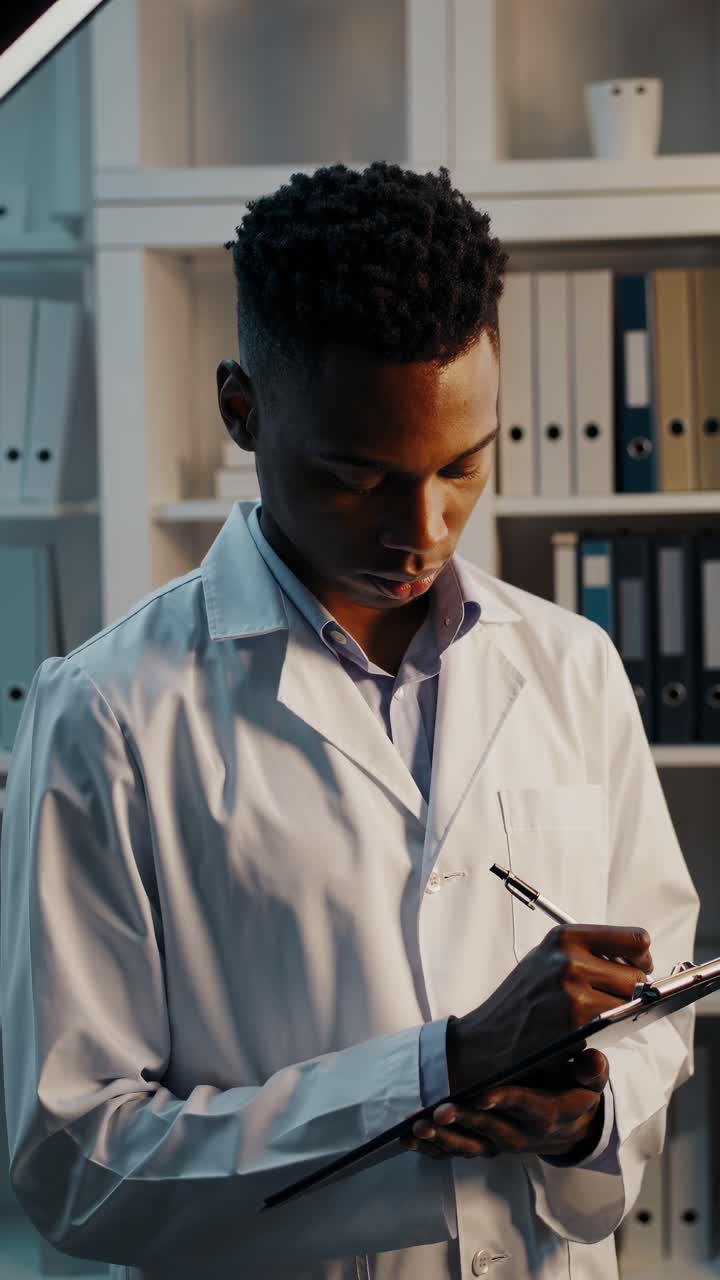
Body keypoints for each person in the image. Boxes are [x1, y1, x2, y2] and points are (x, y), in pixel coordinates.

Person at [0, 162, 699, 1280]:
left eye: (462, 464)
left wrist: (581, 1114)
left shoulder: (572, 665)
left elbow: (655, 1016)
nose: (420, 530)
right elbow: (81, 1163)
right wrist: (446, 1065)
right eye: (356, 476)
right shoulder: (108, 714)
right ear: (244, 409)